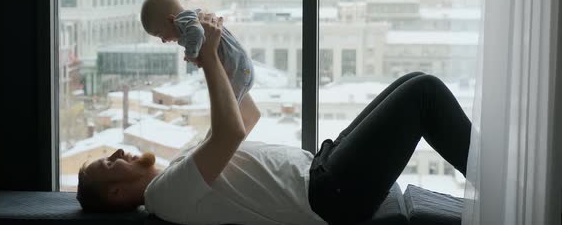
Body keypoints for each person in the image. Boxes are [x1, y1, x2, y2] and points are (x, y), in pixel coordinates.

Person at [76, 12, 472, 225]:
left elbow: (245, 115)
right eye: (107, 163)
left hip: (325, 170)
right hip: (331, 196)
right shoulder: (163, 196)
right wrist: (211, 58)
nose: (118, 151)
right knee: (425, 95)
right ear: (115, 194)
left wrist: (218, 52)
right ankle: (513, 198)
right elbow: (229, 132)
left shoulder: (177, 169)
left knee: (415, 81)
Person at [140, 0, 253, 104]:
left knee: (227, 106)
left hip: (238, 71)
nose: (163, 41)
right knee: (231, 107)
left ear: (171, 20)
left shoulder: (185, 21)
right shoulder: (193, 20)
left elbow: (197, 33)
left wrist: (191, 54)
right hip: (243, 68)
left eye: (160, 34)